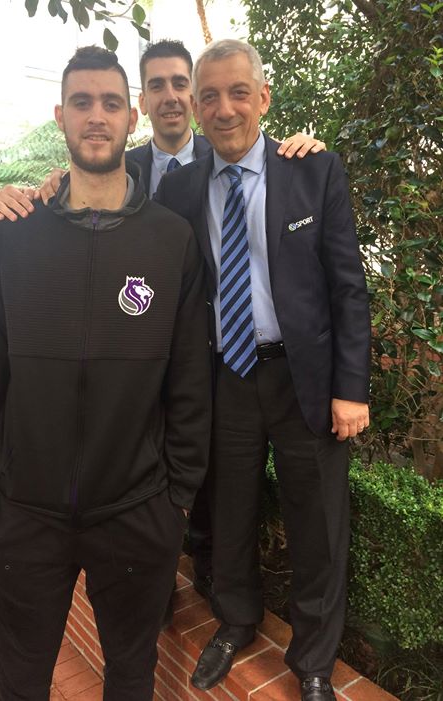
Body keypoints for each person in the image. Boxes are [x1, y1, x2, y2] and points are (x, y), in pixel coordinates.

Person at [0, 39, 327, 602]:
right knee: (202, 497)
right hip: (158, 369)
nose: (171, 96)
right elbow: (78, 191)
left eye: (180, 83)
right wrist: (29, 192)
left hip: (230, 364)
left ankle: (211, 583)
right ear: (141, 104)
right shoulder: (131, 167)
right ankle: (172, 586)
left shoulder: (239, 150)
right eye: (156, 85)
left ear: (191, 96)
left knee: (224, 497)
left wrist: (304, 150)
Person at [0, 45, 212, 701]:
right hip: (19, 515)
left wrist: (174, 499)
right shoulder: (12, 236)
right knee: (20, 684)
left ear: (131, 117)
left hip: (136, 514)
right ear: (60, 116)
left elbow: (189, 383)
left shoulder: (171, 240)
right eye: (82, 102)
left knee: (130, 678)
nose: (96, 116)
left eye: (110, 103)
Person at [154, 39, 371, 701]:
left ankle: (313, 660)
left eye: (238, 92)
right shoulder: (181, 187)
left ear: (264, 98)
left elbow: (348, 288)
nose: (224, 109)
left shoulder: (312, 169)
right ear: (197, 107)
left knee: (318, 525)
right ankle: (236, 621)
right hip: (227, 376)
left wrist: (350, 388)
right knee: (229, 511)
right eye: (210, 96)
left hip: (305, 379)